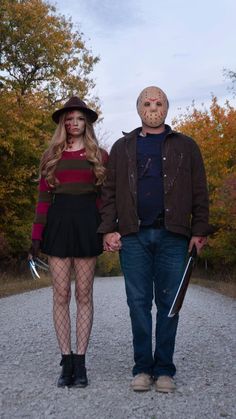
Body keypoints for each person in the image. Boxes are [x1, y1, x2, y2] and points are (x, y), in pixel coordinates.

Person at [98, 86, 211, 393]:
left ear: (166, 107)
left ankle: (164, 370)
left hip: (173, 236)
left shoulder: (186, 146)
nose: (153, 107)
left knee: (168, 304)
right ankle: (141, 368)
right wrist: (109, 229)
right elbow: (108, 194)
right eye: (147, 102)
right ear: (138, 108)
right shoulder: (122, 147)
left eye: (158, 102)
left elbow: (200, 190)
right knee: (137, 303)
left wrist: (199, 230)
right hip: (133, 237)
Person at [29, 96, 108, 388]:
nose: (74, 123)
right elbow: (42, 199)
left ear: (86, 123)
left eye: (79, 119)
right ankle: (66, 361)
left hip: (88, 224)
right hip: (58, 225)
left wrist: (108, 229)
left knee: (84, 294)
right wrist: (36, 236)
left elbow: (105, 199)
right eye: (69, 118)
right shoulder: (51, 155)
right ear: (63, 122)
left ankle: (81, 361)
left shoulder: (99, 155)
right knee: (60, 293)